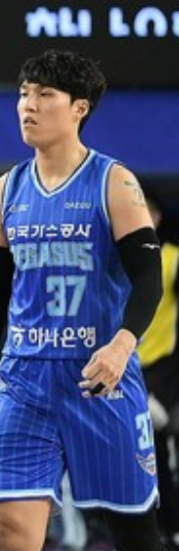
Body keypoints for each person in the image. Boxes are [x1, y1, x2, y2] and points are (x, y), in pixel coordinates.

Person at [0, 49, 165, 551]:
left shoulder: (113, 182)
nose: (27, 105)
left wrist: (121, 345)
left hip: (98, 378)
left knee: (134, 534)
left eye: (44, 94)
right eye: (23, 94)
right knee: (10, 529)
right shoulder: (4, 191)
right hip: (24, 380)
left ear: (79, 108)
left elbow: (149, 278)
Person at [140, 194, 179, 549]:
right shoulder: (115, 259)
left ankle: (171, 527)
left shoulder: (173, 259)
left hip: (163, 371)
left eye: (145, 211)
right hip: (124, 369)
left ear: (157, 217)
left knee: (161, 443)